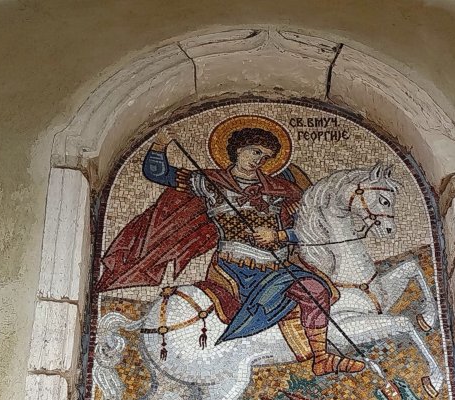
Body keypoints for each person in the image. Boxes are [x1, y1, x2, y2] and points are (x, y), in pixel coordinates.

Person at [95, 118, 364, 375]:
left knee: (316, 289)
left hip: (277, 266)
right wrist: (160, 144)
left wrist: (279, 235)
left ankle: (321, 358)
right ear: (237, 150)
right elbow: (157, 173)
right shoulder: (210, 183)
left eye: (265, 157)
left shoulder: (279, 189)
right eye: (255, 152)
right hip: (236, 269)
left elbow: (307, 229)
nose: (259, 160)